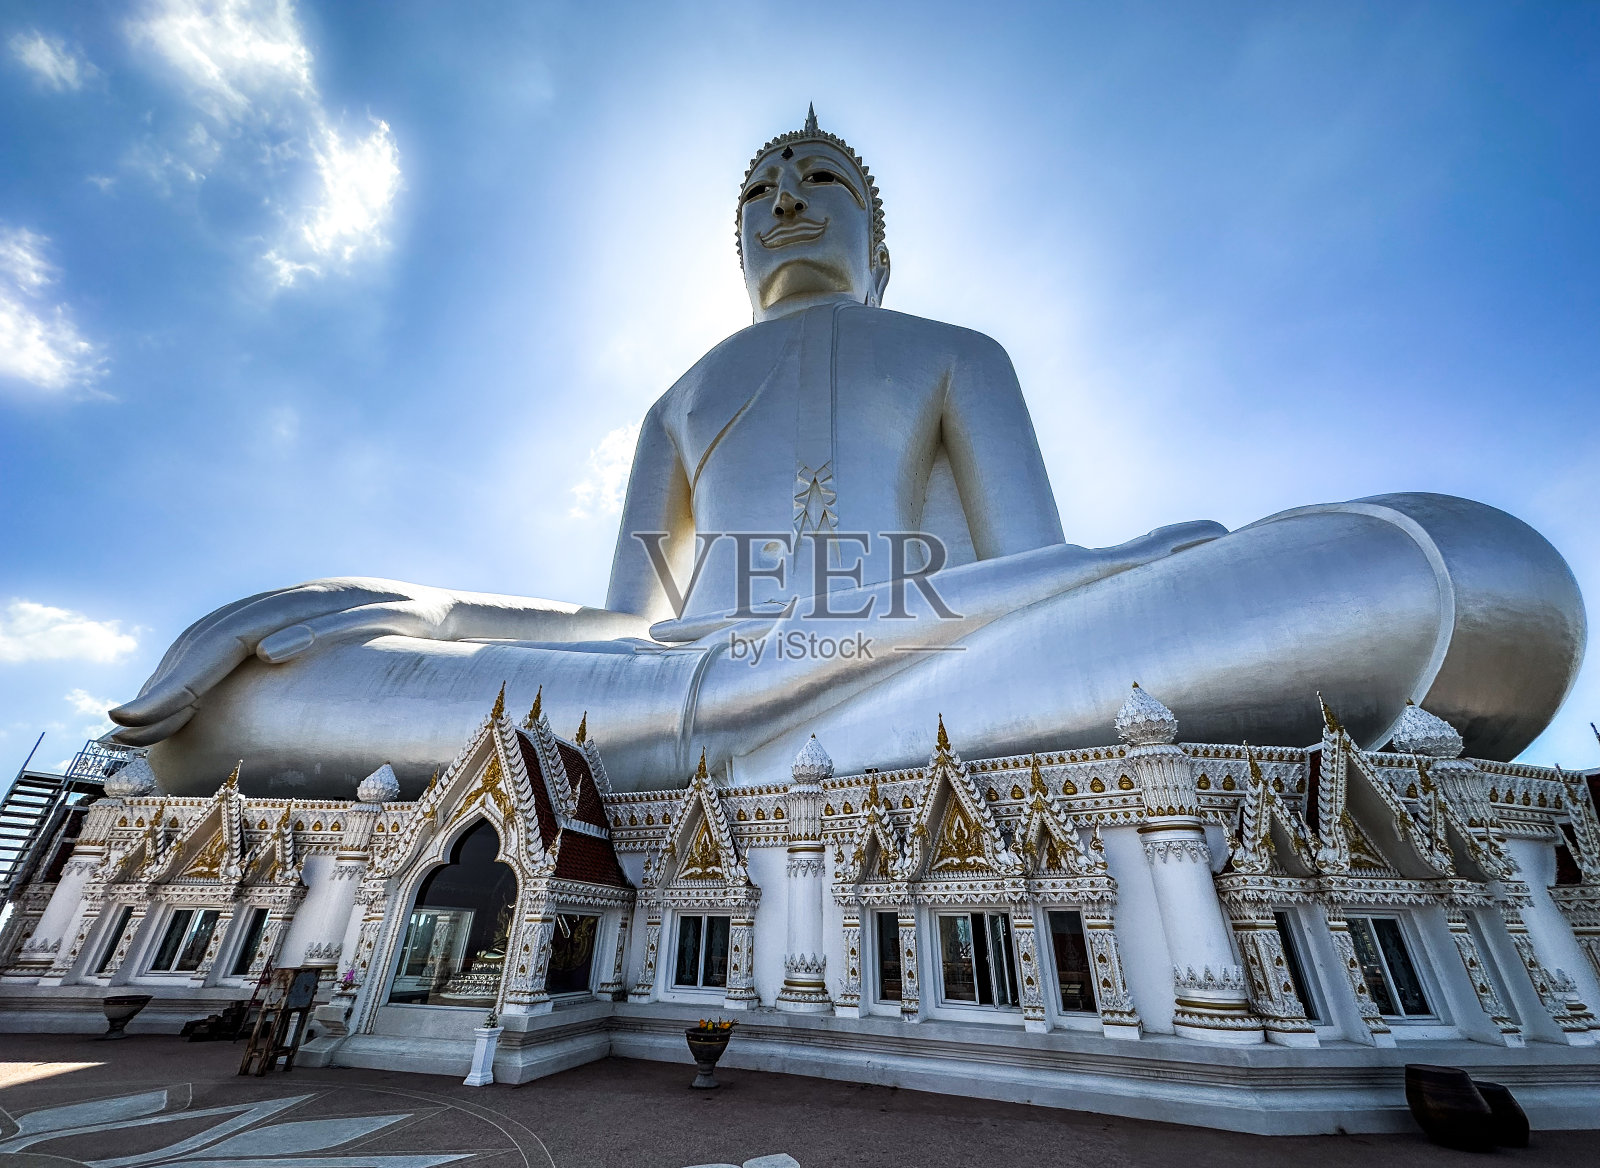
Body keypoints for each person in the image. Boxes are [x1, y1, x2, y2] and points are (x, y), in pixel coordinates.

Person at [112, 109, 1585, 799]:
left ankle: (769, 741)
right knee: (226, 709)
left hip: (937, 666)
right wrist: (414, 615)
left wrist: (1138, 564)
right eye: (761, 190)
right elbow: (625, 620)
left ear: (881, 237)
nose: (787, 200)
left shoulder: (955, 350)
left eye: (820, 181)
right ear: (736, 239)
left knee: (1382, 571)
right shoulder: (679, 395)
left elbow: (1035, 581)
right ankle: (746, 743)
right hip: (678, 681)